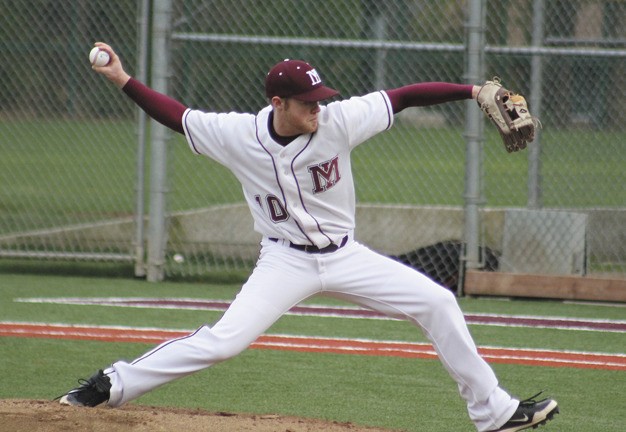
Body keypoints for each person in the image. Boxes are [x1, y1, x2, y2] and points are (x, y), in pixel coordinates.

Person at [58, 42, 559, 432]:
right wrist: (123, 78)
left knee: (438, 302)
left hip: (347, 256)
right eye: (308, 103)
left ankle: (494, 412)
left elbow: (404, 97)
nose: (320, 109)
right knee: (224, 343)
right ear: (277, 103)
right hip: (284, 262)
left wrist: (472, 91)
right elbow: (176, 116)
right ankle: (110, 384)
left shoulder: (339, 122)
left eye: (322, 99)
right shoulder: (238, 135)